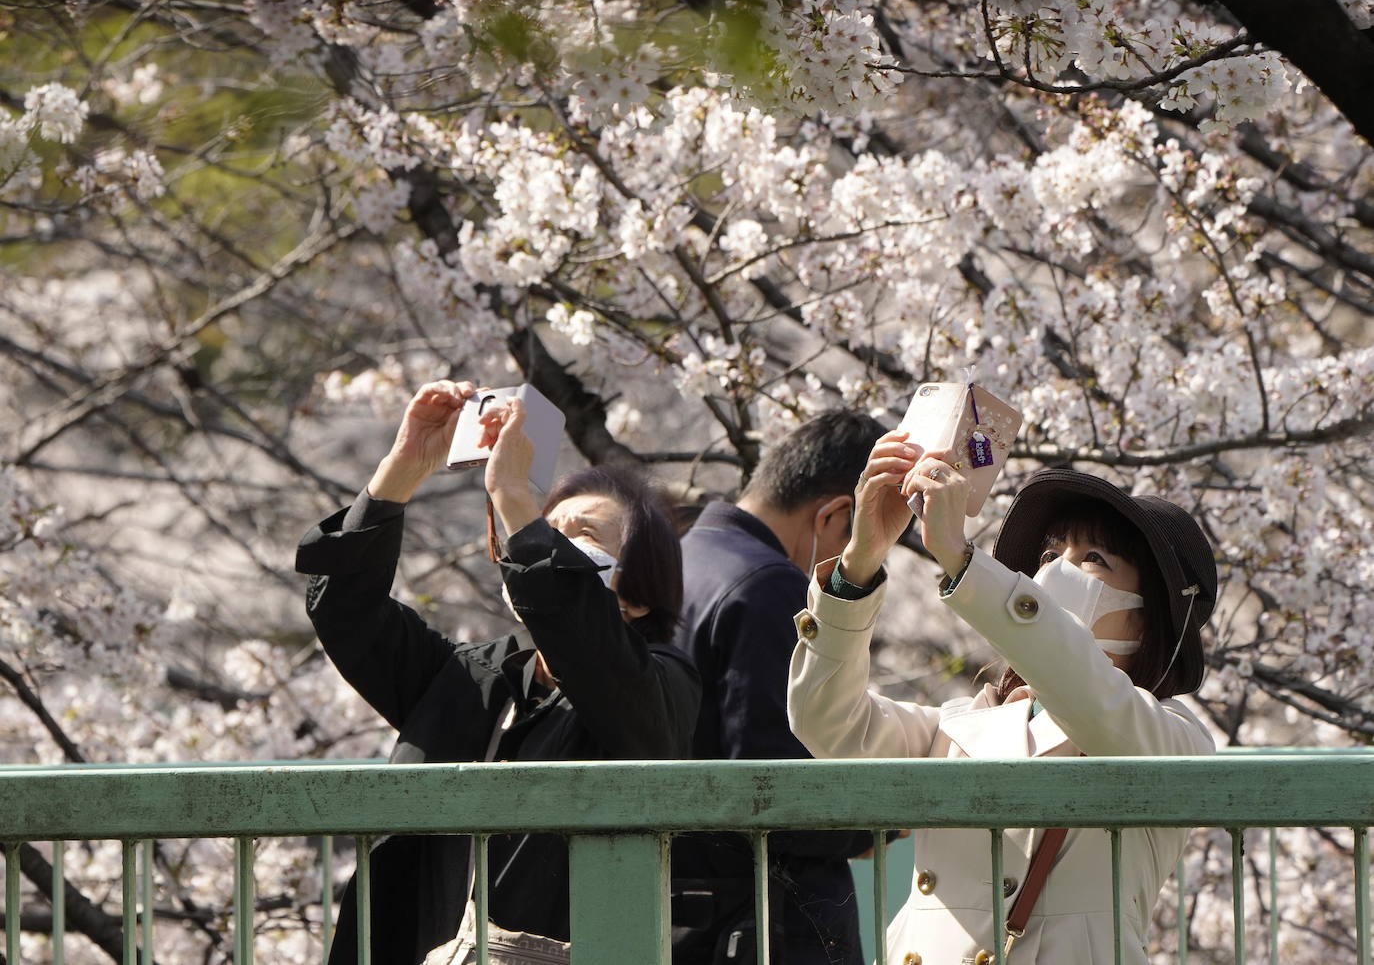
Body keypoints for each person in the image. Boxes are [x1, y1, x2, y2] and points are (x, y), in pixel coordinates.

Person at [296, 379, 701, 965]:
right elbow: (343, 608)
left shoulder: (665, 684)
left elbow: (598, 658)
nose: (539, 544)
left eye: (580, 533)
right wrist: (401, 470)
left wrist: (514, 493)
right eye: (542, 529)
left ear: (638, 597)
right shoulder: (466, 677)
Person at [787, 434, 1218, 965]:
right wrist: (858, 564)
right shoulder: (960, 727)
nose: (1056, 570)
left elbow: (1090, 699)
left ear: (1151, 615)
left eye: (1094, 559)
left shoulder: (1174, 737)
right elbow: (828, 723)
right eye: (1049, 553)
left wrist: (962, 559)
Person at [671, 410, 886, 965]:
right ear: (836, 515)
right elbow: (774, 789)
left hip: (680, 907)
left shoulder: (676, 559)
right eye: (862, 542)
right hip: (762, 923)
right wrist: (878, 819)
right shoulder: (769, 585)